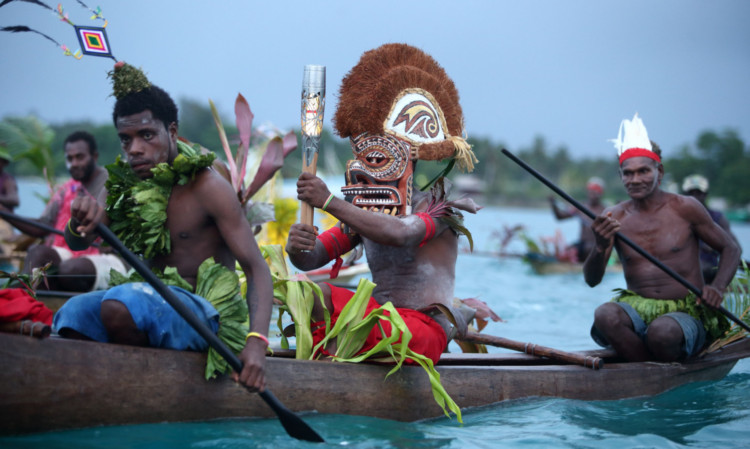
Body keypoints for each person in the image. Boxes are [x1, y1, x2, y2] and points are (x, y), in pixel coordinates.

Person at [52, 62, 273, 391]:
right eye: (125, 140)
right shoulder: (121, 185)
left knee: (119, 306)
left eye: (147, 135)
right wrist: (77, 220)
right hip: (146, 303)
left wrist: (256, 343)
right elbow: (79, 243)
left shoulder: (208, 187)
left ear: (171, 132)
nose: (135, 149)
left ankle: (147, 387)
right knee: (71, 313)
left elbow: (256, 269)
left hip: (206, 316)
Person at [285, 43, 480, 365]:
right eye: (362, 159)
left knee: (366, 320)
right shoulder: (363, 213)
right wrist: (297, 247)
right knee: (307, 291)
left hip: (423, 329)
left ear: (407, 163)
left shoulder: (441, 208)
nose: (363, 169)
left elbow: (402, 234)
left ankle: (333, 360)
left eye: (378, 160)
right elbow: (311, 260)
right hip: (378, 320)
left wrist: (329, 201)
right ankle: (325, 365)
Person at [584, 113, 740, 362]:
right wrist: (599, 247)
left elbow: (731, 248)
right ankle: (644, 372)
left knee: (662, 331)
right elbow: (592, 280)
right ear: (621, 175)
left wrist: (717, 288)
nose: (635, 180)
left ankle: (646, 365)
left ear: (660, 171)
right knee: (604, 314)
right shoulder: (614, 216)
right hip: (637, 308)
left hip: (686, 311)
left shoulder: (685, 207)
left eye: (643, 171)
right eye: (628, 173)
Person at [0, 131, 127, 291]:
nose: (74, 163)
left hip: (108, 257)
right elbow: (41, 227)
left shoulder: (112, 181)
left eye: (79, 157)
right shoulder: (66, 189)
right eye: (69, 158)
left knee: (70, 270)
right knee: (37, 252)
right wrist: (5, 212)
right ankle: (23, 300)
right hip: (71, 251)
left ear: (94, 157)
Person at [681, 174, 742, 283]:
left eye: (698, 193)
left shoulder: (717, 217)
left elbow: (736, 248)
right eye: (691, 193)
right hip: (683, 268)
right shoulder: (678, 216)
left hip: (707, 270)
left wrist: (714, 247)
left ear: (705, 195)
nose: (695, 197)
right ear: (685, 194)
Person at [549, 177, 606, 262]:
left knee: (590, 248)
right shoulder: (580, 207)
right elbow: (560, 217)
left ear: (600, 193)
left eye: (595, 191)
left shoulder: (605, 210)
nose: (592, 194)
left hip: (597, 246)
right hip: (582, 245)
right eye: (590, 191)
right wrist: (553, 204)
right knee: (567, 250)